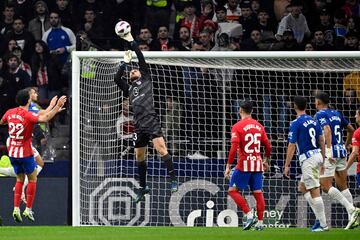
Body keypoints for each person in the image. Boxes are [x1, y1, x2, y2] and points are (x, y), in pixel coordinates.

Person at [114, 31, 178, 203]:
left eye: (135, 69)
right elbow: (116, 78)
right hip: (138, 125)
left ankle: (173, 179)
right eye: (131, 70)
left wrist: (131, 42)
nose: (133, 70)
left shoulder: (147, 78)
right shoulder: (128, 89)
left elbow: (140, 57)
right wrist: (124, 63)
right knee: (139, 157)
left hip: (151, 119)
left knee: (161, 149)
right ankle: (143, 187)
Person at [0, 88, 66, 223]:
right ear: (28, 99)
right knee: (32, 179)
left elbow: (2, 122)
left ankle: (16, 208)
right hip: (25, 152)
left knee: (19, 179)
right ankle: (28, 209)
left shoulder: (9, 112)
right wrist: (57, 106)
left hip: (13, 152)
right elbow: (45, 118)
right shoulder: (27, 115)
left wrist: (51, 107)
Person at [313, 91, 359, 229]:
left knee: (325, 186)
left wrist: (327, 150)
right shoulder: (337, 113)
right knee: (343, 186)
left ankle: (351, 209)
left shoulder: (320, 114)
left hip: (331, 152)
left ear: (318, 102)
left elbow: (327, 130)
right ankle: (353, 220)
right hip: (341, 152)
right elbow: (350, 129)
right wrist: (344, 146)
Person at [224, 100, 271, 231]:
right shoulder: (259, 126)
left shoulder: (237, 126)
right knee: (258, 193)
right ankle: (260, 223)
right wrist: (266, 159)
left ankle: (249, 214)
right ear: (252, 111)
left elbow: (233, 148)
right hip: (257, 164)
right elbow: (268, 145)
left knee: (232, 191)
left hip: (244, 164)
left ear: (240, 110)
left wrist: (228, 165)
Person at [283, 96, 328, 232]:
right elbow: (321, 140)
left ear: (294, 107)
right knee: (302, 187)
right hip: (317, 155)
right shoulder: (313, 121)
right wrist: (323, 158)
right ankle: (319, 219)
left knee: (314, 191)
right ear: (306, 106)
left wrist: (286, 165)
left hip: (308, 159)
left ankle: (323, 224)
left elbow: (291, 145)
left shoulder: (295, 123)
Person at [346, 109, 360, 190]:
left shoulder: (357, 132)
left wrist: (346, 168)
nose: (355, 116)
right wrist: (353, 146)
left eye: (357, 114)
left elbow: (354, 153)